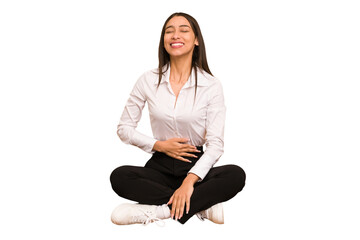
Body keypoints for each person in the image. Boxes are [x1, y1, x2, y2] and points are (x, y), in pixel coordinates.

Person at [110, 12, 246, 225]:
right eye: (169, 31)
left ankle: (161, 212)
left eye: (184, 30)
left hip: (196, 164)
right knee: (119, 177)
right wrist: (159, 145)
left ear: (196, 40)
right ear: (163, 41)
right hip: (160, 167)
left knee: (235, 175)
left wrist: (189, 182)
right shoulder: (148, 80)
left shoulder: (211, 85)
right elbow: (124, 128)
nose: (175, 35)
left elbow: (215, 145)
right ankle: (201, 207)